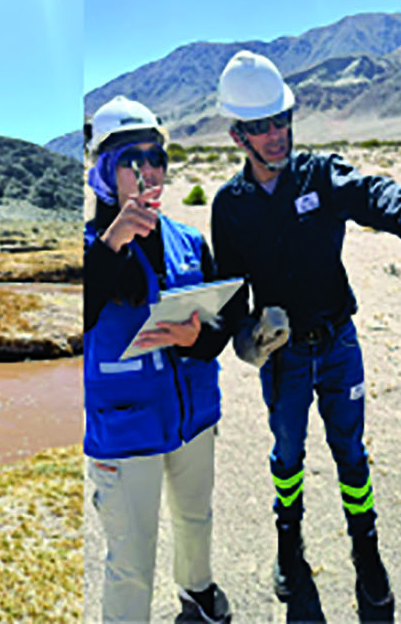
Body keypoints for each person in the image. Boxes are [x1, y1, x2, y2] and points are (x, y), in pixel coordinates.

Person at [209, 50, 401, 610]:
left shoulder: (321, 174)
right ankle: (288, 546)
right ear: (237, 135)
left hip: (339, 345)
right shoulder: (230, 207)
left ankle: (367, 552)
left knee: (351, 454)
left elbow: (377, 195)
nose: (276, 135)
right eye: (260, 127)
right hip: (286, 361)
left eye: (281, 119)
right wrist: (249, 341)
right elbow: (232, 300)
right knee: (287, 456)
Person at [81, 96, 232, 623]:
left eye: (156, 157)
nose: (147, 171)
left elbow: (219, 326)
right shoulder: (79, 251)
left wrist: (198, 340)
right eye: (131, 159)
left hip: (193, 419)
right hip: (123, 432)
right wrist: (113, 241)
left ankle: (198, 597)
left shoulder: (190, 242)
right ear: (104, 170)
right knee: (130, 561)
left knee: (196, 518)